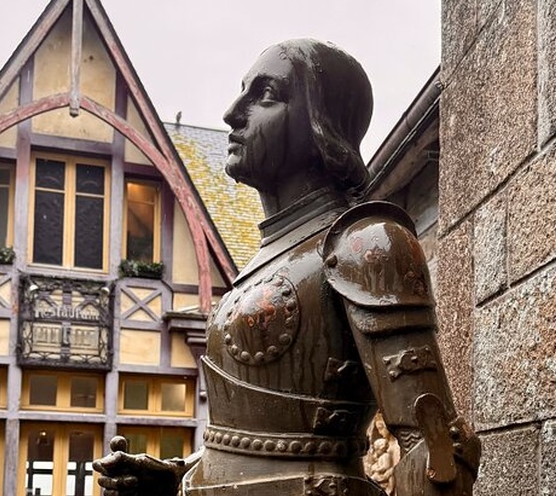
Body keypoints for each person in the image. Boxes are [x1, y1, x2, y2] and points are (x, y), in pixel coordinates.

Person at [94, 38, 480, 496]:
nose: (232, 112)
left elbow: (434, 450)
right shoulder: (269, 257)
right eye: (242, 91)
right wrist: (180, 475)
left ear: (320, 123)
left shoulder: (367, 244)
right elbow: (267, 440)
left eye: (266, 95)